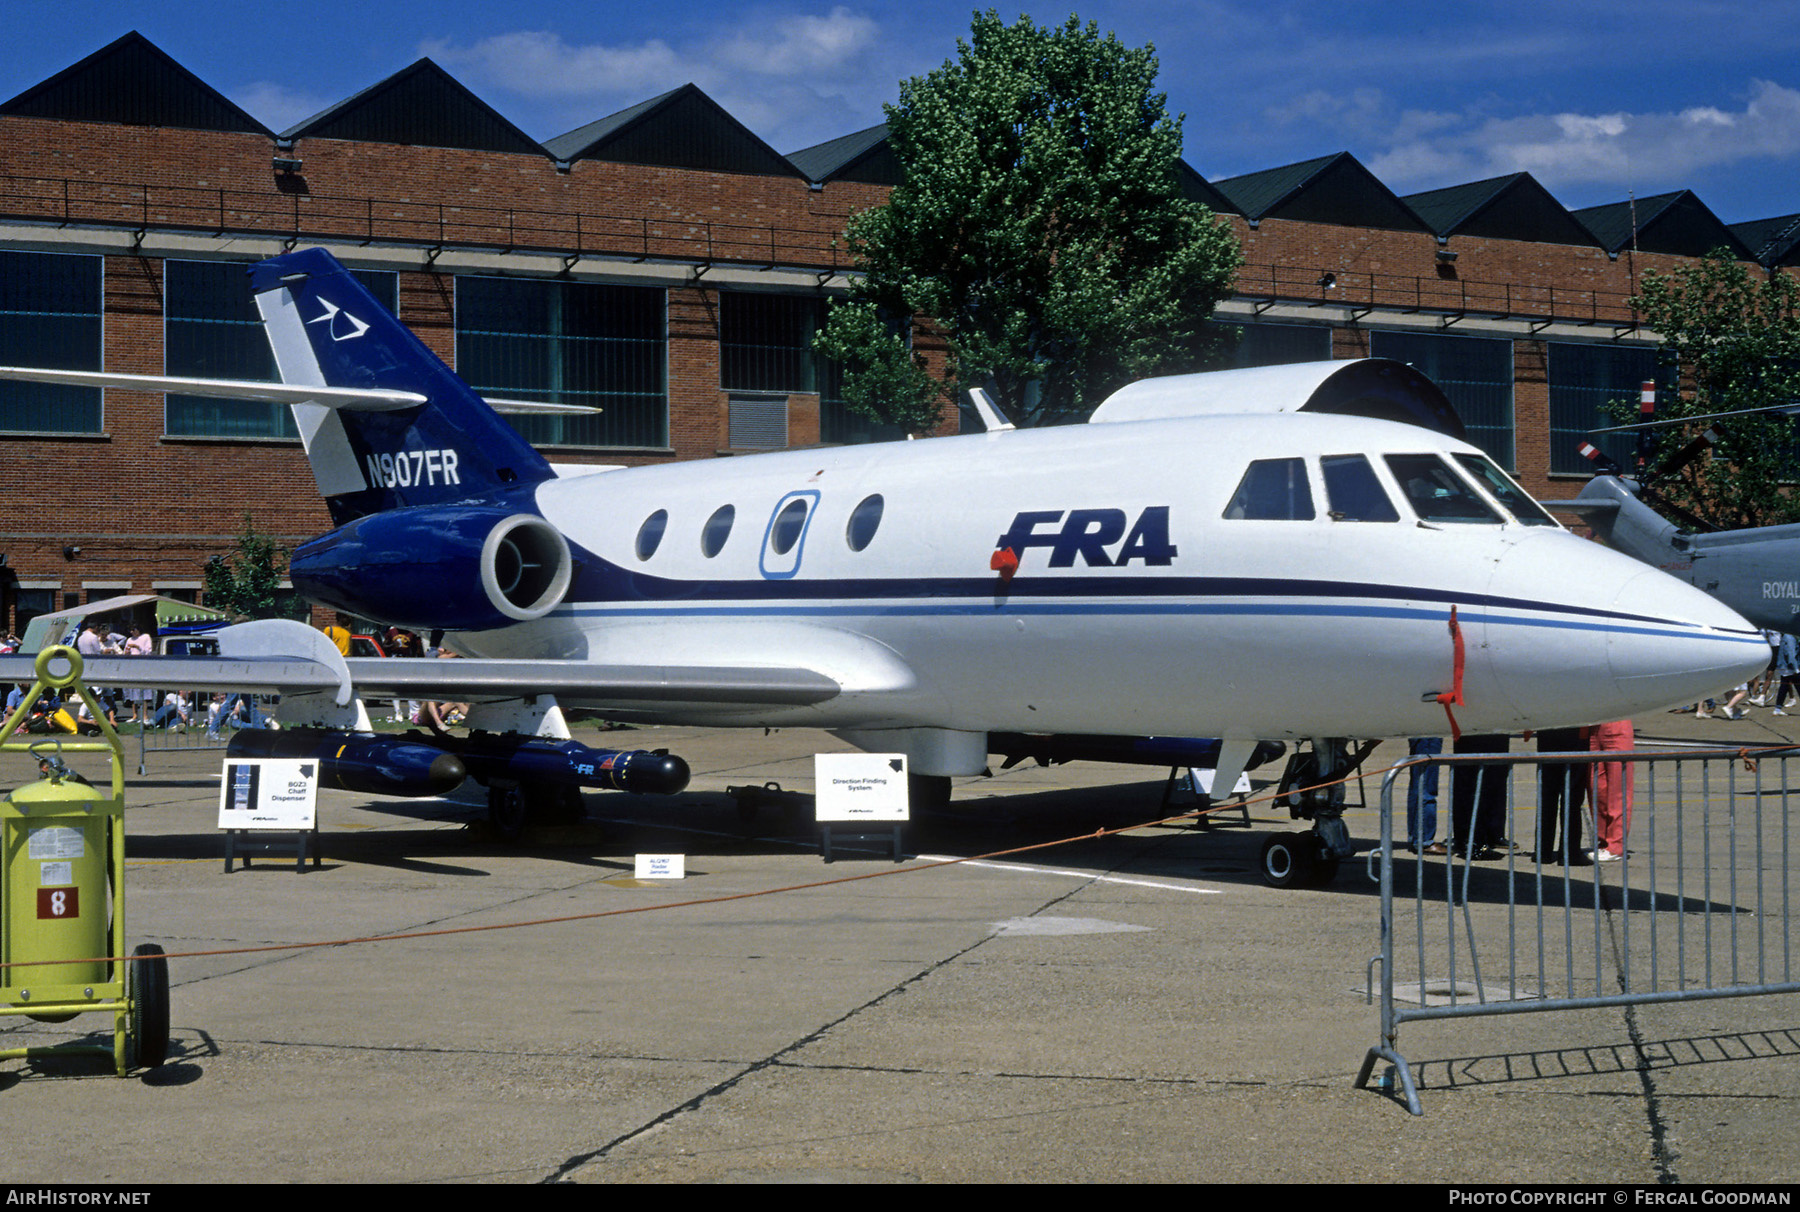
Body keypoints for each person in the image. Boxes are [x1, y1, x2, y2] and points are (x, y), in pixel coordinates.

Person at [1449, 733, 1513, 860]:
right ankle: (1474, 843)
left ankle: (1471, 839)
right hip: (1479, 734)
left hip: (1476, 734)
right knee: (1477, 785)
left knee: (1478, 783)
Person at [1535, 726, 1589, 865]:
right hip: (1574, 729)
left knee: (1547, 793)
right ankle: (1570, 852)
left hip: (1548, 729)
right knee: (1572, 795)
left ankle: (1542, 850)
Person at [1588, 719, 1634, 862]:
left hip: (1617, 723)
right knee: (1596, 787)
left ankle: (1616, 845)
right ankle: (1602, 840)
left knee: (1618, 788)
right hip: (1593, 725)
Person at [1404, 737, 1444, 855]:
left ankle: (1417, 837)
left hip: (1422, 735)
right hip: (1428, 735)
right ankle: (1424, 839)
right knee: (1426, 785)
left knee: (1419, 784)